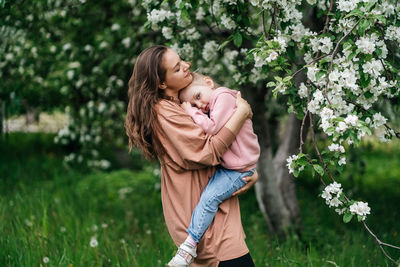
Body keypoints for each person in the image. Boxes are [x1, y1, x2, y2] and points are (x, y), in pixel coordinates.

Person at [125, 45, 258, 267]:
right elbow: (209, 151)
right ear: (162, 83)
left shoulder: (185, 104)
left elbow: (230, 144)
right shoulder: (165, 112)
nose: (187, 66)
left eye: (182, 61)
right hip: (206, 224)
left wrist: (247, 171)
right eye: (177, 68)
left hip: (217, 214)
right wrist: (241, 113)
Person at [167, 73, 260, 266]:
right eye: (194, 105)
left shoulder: (223, 96)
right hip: (234, 167)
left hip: (238, 170)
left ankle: (189, 246)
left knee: (209, 199)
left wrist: (190, 111)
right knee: (208, 199)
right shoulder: (214, 102)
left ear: (209, 82)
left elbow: (212, 128)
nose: (199, 106)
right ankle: (189, 245)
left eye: (198, 97)